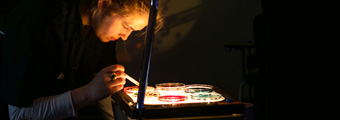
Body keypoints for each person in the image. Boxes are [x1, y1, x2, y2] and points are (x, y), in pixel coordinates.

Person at [0, 0, 163, 119]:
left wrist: (111, 82)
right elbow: (18, 114)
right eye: (126, 26)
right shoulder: (42, 22)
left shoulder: (102, 32)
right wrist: (88, 93)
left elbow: (104, 81)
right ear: (104, 4)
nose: (125, 37)